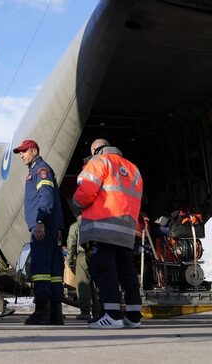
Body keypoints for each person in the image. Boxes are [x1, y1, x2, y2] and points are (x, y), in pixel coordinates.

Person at [73, 138, 143, 329]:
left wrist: (76, 203)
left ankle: (112, 315)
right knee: (127, 271)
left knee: (105, 270)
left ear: (96, 150)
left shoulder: (98, 162)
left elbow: (85, 192)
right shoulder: (133, 168)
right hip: (126, 230)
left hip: (103, 227)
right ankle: (134, 315)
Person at [13, 139, 65, 325]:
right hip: (50, 226)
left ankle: (42, 312)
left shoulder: (41, 170)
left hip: (42, 226)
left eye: (24, 152)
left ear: (34, 151)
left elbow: (45, 194)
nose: (21, 155)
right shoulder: (38, 170)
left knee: (41, 268)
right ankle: (56, 314)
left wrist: (41, 221)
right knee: (54, 270)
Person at [66, 215, 100, 320]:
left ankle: (85, 311)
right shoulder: (96, 223)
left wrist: (70, 261)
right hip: (97, 255)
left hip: (82, 256)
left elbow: (71, 243)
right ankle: (98, 312)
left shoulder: (76, 226)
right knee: (96, 285)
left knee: (83, 284)